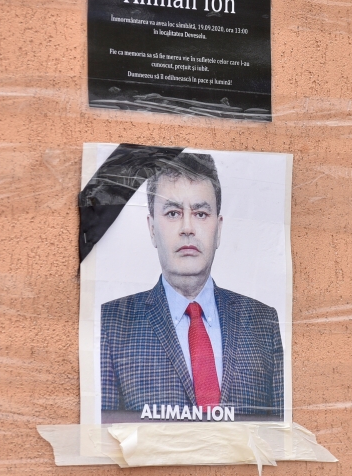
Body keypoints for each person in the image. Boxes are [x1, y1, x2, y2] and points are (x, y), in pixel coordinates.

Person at [100, 152, 284, 421]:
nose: (188, 228)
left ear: (218, 229)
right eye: (173, 213)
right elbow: (102, 440)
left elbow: (282, 438)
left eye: (200, 213)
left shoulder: (263, 322)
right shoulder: (112, 324)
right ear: (152, 228)